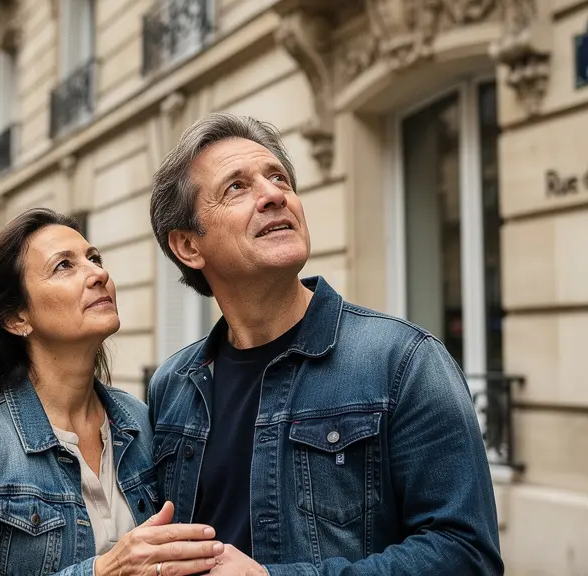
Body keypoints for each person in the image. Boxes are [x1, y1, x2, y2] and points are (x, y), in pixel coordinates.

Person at [146, 113, 503, 575]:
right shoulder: (172, 386)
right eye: (237, 187)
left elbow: (466, 557)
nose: (274, 194)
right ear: (188, 246)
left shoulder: (404, 361)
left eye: (278, 178)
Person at [0, 208, 224, 576]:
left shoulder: (137, 420)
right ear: (17, 318)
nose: (99, 274)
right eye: (64, 266)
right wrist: (102, 572)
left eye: (94, 258)